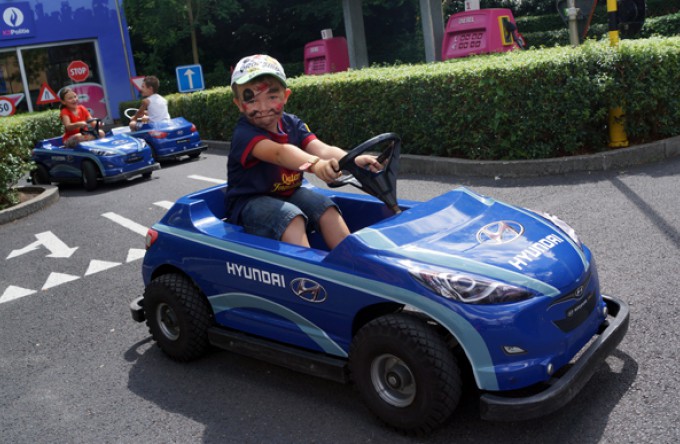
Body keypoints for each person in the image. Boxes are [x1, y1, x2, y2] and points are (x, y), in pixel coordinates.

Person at [225, 54, 381, 249]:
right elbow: (279, 153)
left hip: (288, 193)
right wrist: (316, 165)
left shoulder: (292, 124)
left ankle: (352, 260)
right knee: (290, 217)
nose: (263, 107)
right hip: (250, 203)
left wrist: (353, 160)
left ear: (285, 96)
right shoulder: (245, 134)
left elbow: (321, 148)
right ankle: (304, 266)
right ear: (239, 104)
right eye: (252, 100)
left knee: (325, 207)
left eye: (272, 97)